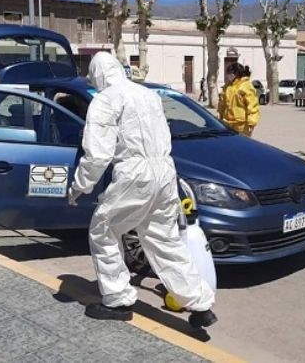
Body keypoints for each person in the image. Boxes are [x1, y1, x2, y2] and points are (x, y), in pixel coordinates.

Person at [68, 52, 217, 328]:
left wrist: (79, 186)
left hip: (135, 174)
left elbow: (98, 155)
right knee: (165, 239)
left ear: (98, 75)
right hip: (164, 172)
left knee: (103, 230)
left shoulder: (105, 99)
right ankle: (200, 304)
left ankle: (118, 299)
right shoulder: (149, 95)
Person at [217, 63, 260, 137]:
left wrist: (251, 122)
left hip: (242, 125)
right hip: (228, 123)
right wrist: (219, 117)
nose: (227, 76)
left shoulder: (246, 86)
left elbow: (252, 105)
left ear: (235, 74)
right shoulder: (227, 86)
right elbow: (222, 104)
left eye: (229, 74)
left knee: (242, 145)